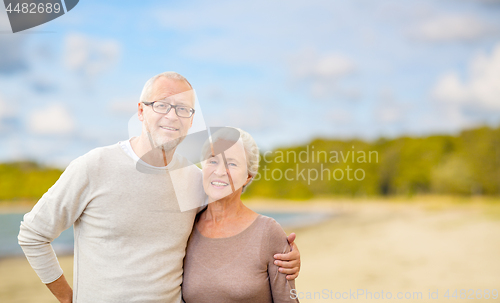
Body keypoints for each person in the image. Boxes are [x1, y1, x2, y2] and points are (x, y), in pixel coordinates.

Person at [18, 72, 301, 303]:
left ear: (191, 120)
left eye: (183, 109)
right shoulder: (94, 166)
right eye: (162, 105)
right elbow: (32, 235)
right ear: (141, 111)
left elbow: (230, 223)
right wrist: (68, 298)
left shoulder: (195, 179)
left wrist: (283, 257)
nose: (172, 115)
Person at [182, 127, 299, 303]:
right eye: (213, 161)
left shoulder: (268, 232)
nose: (220, 171)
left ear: (248, 177)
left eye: (232, 163)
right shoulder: (186, 226)